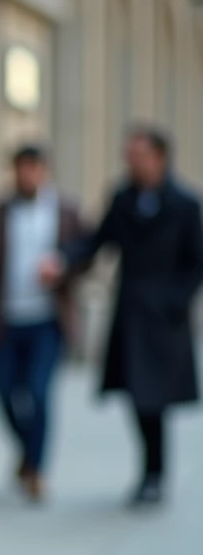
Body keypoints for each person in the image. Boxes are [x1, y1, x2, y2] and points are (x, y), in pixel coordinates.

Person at [41, 125, 203, 506]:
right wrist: (63, 258)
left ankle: (155, 474)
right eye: (128, 155)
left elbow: (196, 262)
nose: (131, 162)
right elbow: (98, 240)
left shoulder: (185, 204)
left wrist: (174, 301)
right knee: (137, 396)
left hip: (164, 318)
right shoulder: (123, 198)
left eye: (138, 155)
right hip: (131, 313)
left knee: (154, 399)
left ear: (159, 158)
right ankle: (150, 473)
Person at [0, 144, 86, 502]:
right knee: (3, 392)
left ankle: (36, 470)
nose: (27, 175)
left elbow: (87, 254)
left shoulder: (66, 211)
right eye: (21, 168)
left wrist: (62, 265)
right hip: (6, 321)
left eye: (34, 168)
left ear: (45, 171)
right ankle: (28, 450)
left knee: (38, 392)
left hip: (47, 321)